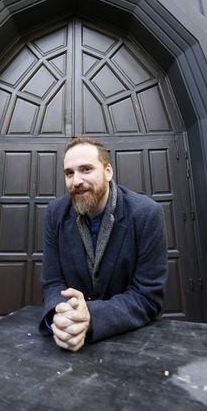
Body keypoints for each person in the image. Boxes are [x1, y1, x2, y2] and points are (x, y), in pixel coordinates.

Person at [39, 137, 168, 351]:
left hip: (134, 345)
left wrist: (91, 315)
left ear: (108, 171)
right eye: (69, 173)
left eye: (86, 169)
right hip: (71, 347)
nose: (76, 181)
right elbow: (52, 283)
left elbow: (148, 296)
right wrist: (62, 315)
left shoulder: (147, 214)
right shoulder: (55, 213)